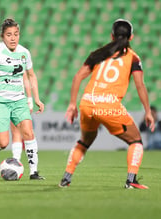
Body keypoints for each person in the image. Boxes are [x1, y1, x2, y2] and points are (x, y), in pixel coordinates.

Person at [59, 19, 154, 189]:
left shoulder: (98, 54)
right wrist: (148, 111)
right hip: (109, 106)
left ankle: (66, 178)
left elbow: (77, 77)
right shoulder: (133, 58)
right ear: (131, 37)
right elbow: (140, 85)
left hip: (87, 103)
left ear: (111, 36)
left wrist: (72, 104)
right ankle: (131, 180)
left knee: (85, 141)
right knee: (136, 141)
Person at [0, 18, 45, 180]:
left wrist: (36, 98)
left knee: (28, 132)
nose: (13, 38)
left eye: (16, 34)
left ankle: (33, 172)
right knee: (2, 143)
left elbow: (31, 75)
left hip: (19, 100)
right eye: (9, 35)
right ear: (3, 36)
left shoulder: (24, 53)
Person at [0, 73, 33, 168]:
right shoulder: (0, 61)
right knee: (0, 131)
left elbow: (25, 78)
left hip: (17, 99)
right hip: (1, 99)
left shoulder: (18, 60)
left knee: (16, 129)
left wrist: (29, 98)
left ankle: (16, 160)